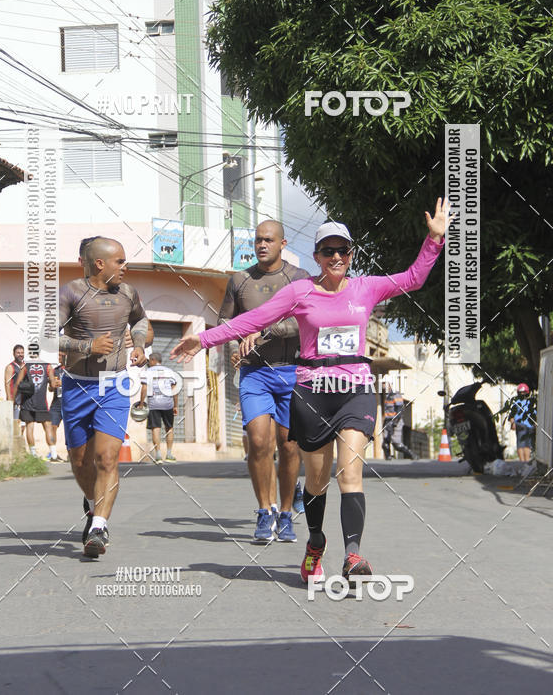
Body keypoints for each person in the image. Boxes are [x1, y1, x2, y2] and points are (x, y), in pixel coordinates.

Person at [171, 199, 447, 585]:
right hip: (313, 391)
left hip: (354, 389)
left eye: (342, 250)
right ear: (317, 256)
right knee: (316, 480)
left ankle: (353, 555)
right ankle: (315, 542)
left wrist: (434, 239)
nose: (336, 256)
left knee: (350, 474)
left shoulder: (367, 288)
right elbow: (251, 320)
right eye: (328, 250)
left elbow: (413, 278)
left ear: (352, 254)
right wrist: (202, 339)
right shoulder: (300, 291)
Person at [220, 220, 309, 543]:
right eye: (258, 240)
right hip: (255, 373)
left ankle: (286, 514)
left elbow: (307, 321)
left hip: (292, 371)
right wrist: (233, 347)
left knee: (289, 446)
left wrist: (265, 332)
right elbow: (225, 322)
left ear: (283, 243)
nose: (261, 245)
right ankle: (264, 510)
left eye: (268, 240)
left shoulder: (299, 279)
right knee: (258, 442)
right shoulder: (240, 280)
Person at [59, 237, 149, 558]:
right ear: (100, 264)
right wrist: (87, 346)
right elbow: (44, 337)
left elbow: (140, 320)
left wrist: (138, 344)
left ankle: (99, 525)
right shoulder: (70, 292)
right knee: (81, 461)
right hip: (76, 385)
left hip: (115, 385)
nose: (126, 267)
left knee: (107, 458)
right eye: (120, 262)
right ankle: (92, 500)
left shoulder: (128, 293)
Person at [15, 352, 59, 459]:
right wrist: (49, 383)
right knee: (48, 427)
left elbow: (18, 383)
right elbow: (53, 385)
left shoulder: (25, 366)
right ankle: (53, 454)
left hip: (27, 402)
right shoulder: (48, 366)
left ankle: (33, 454)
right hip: (41, 402)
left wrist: (16, 399)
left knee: (30, 427)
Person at [138, 353, 180, 463]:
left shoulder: (148, 372)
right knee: (169, 427)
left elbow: (144, 388)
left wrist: (141, 404)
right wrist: (175, 405)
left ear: (152, 360)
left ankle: (158, 455)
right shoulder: (169, 371)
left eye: (149, 361)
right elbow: (174, 391)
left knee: (155, 428)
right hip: (167, 403)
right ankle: (169, 454)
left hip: (153, 404)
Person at [382, 385, 417, 460]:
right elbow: (387, 411)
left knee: (397, 444)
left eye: (384, 384)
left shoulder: (396, 394)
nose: (382, 386)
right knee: (385, 443)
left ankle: (412, 455)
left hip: (396, 421)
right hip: (388, 420)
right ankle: (388, 459)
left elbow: (400, 410)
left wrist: (395, 422)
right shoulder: (387, 395)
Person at [510, 383, 536, 462]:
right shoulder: (516, 403)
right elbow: (511, 415)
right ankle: (522, 462)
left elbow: (535, 414)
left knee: (528, 445)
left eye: (524, 392)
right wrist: (513, 423)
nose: (522, 394)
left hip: (530, 426)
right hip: (520, 425)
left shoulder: (531, 402)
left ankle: (526, 461)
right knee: (521, 444)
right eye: (521, 393)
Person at [47, 354, 65, 462]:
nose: (59, 357)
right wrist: (52, 386)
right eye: (58, 355)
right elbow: (49, 388)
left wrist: (64, 383)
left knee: (70, 429)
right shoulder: (55, 370)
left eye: (61, 355)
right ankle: (53, 454)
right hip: (56, 403)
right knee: (52, 427)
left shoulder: (72, 370)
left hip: (69, 402)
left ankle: (72, 453)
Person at [4, 344, 25, 422]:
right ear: (14, 354)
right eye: (18, 353)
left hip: (24, 401)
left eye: (22, 353)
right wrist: (10, 399)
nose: (20, 355)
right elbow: (7, 384)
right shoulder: (10, 367)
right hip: (15, 401)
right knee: (15, 424)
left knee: (23, 425)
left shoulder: (25, 366)